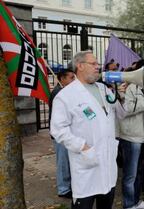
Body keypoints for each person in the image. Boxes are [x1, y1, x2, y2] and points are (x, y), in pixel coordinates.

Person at [50, 51, 127, 209]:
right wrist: (83, 147)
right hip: (86, 163)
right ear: (80, 66)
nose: (97, 67)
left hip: (107, 162)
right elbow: (58, 130)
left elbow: (121, 114)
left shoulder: (104, 89)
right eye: (93, 64)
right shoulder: (66, 96)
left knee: (106, 203)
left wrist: (120, 94)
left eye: (97, 64)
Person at [118, 73, 144, 209]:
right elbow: (127, 109)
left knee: (138, 173)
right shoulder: (130, 88)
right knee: (130, 175)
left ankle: (136, 201)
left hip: (140, 136)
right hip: (131, 137)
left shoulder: (141, 89)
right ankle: (128, 205)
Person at [49, 67, 75, 198]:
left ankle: (68, 185)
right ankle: (63, 189)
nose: (73, 80)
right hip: (60, 134)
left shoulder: (66, 91)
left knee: (68, 161)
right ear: (62, 79)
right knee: (63, 162)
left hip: (68, 133)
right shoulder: (58, 93)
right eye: (71, 78)